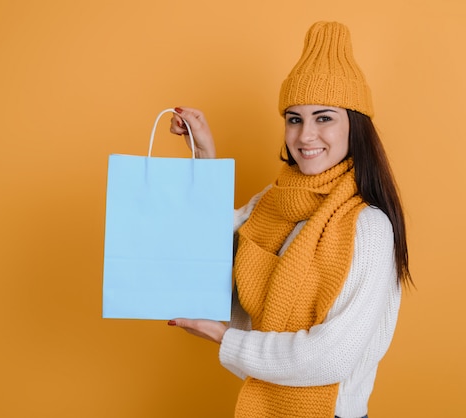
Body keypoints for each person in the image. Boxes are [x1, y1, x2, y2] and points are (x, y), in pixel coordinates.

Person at [167, 21, 412, 418]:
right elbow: (216, 241)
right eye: (294, 119)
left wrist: (224, 337)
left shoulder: (369, 227)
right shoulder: (275, 201)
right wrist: (203, 157)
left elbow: (330, 357)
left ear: (356, 124)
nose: (305, 136)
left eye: (324, 117)